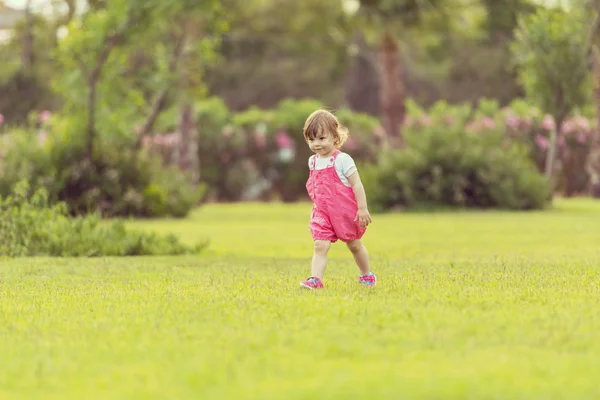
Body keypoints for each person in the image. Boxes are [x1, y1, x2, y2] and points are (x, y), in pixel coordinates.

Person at [299, 109, 376, 289]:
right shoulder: (313, 161)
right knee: (320, 245)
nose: (316, 144)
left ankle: (367, 274)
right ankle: (316, 280)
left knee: (354, 245)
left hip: (344, 212)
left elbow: (356, 184)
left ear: (335, 137)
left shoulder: (342, 160)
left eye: (321, 138)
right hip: (322, 212)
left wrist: (362, 208)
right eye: (311, 139)